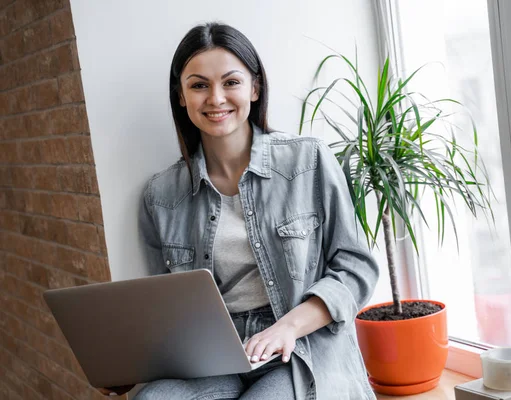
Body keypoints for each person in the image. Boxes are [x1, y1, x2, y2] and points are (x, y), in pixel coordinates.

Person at [99, 22, 379, 399]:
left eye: (231, 82)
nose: (216, 98)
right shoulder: (160, 196)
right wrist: (130, 367)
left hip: (299, 348)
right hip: (212, 356)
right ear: (181, 96)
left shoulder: (307, 159)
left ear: (255, 87)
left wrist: (288, 328)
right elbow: (163, 311)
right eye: (199, 85)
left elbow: (355, 268)